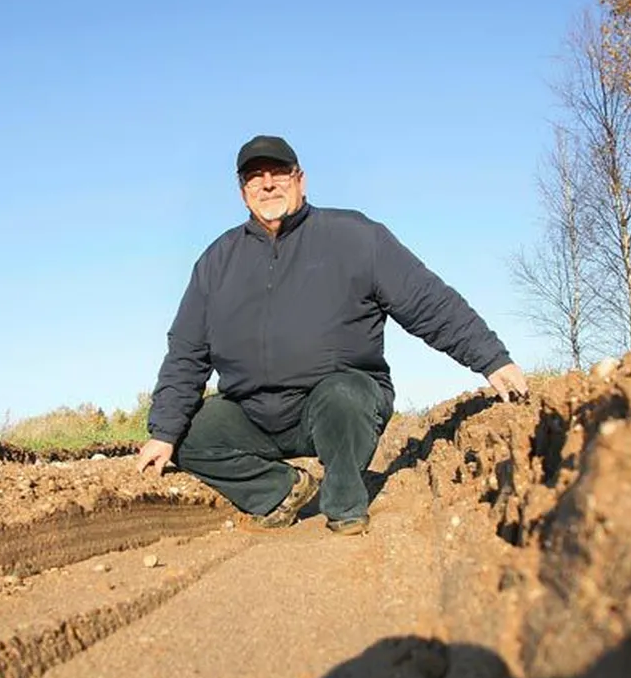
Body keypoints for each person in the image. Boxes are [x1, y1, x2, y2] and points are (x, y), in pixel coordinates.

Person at [136, 135, 528, 535]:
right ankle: (280, 489)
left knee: (342, 396)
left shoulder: (354, 237)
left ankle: (344, 503)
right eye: (255, 178)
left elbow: (427, 301)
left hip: (336, 404)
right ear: (243, 193)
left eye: (278, 174)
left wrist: (491, 358)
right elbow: (186, 353)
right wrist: (163, 433)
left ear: (300, 180)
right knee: (187, 433)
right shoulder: (217, 261)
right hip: (253, 412)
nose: (268, 184)